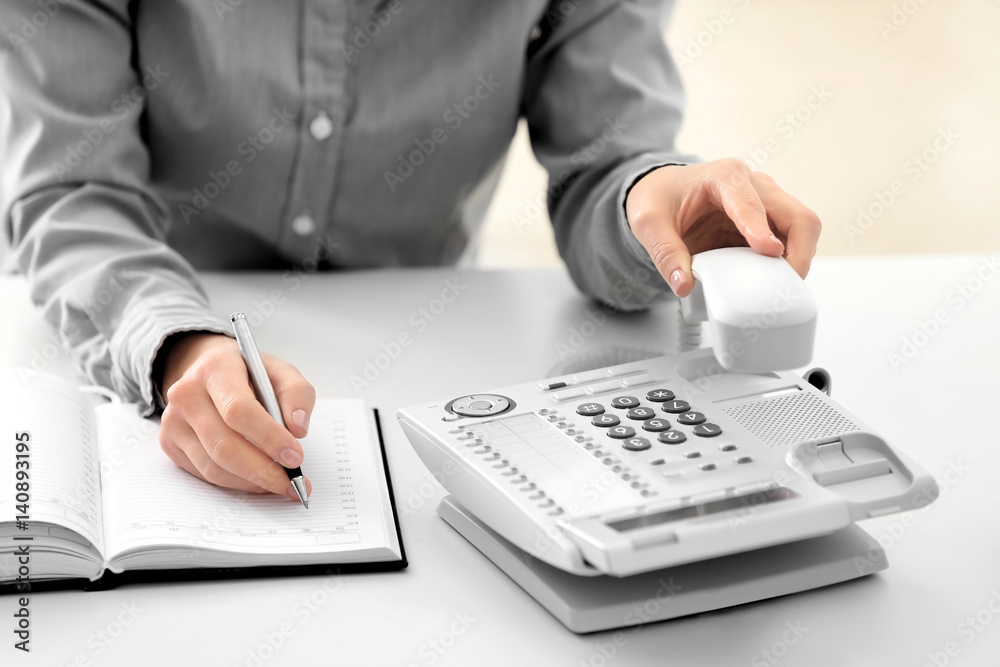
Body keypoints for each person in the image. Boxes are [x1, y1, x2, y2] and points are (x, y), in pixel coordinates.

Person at [0, 0, 820, 503]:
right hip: (140, 348)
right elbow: (71, 189)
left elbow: (606, 162)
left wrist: (650, 198)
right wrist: (174, 343)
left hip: (435, 373)